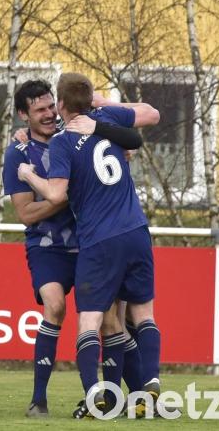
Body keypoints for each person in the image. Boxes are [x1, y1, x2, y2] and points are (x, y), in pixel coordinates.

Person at [18, 72, 161, 419]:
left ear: (62, 105)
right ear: (92, 99)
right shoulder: (109, 118)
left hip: (100, 240)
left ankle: (96, 394)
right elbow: (152, 113)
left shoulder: (63, 142)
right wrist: (103, 105)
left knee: (90, 321)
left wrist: (27, 174)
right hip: (137, 231)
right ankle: (151, 383)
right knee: (142, 315)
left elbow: (55, 193)